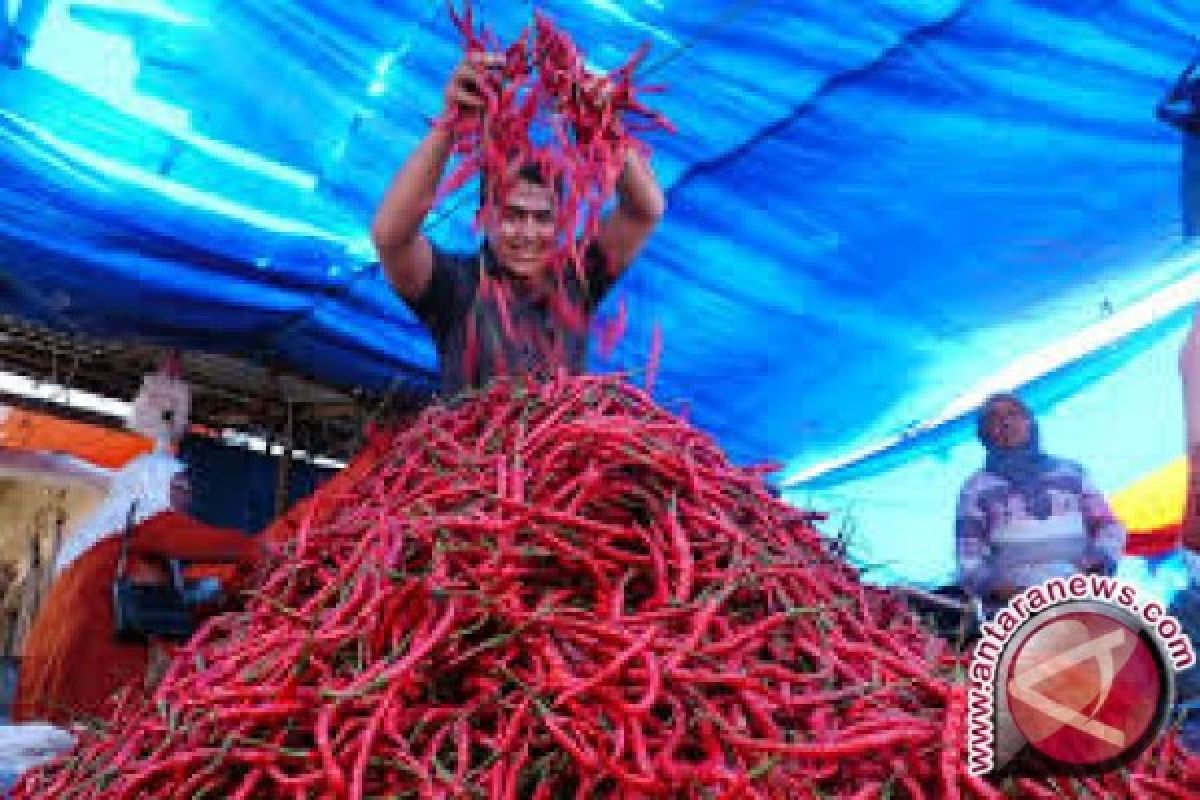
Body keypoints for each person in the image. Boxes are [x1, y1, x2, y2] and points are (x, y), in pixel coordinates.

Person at [370, 53, 665, 394]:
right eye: (512, 216)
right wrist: (450, 125)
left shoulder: (577, 279)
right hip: (478, 447)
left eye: (543, 219)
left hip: (564, 445)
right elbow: (390, 236)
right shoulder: (455, 288)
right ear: (485, 215)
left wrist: (603, 125)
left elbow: (645, 210)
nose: (528, 233)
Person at [11, 451, 261, 727]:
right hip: (97, 647)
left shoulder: (100, 532)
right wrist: (265, 550)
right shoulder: (145, 517)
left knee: (55, 731)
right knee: (94, 731)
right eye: (178, 486)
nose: (187, 497)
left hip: (60, 651)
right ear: (151, 484)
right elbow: (209, 544)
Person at [955, 393, 1127, 611]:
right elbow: (968, 556)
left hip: (1080, 594)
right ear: (983, 435)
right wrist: (1004, 591)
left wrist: (1097, 562)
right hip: (1017, 609)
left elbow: (1109, 525)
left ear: (1030, 423)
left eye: (1013, 414)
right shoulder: (975, 488)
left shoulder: (1071, 472)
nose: (1005, 423)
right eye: (993, 419)